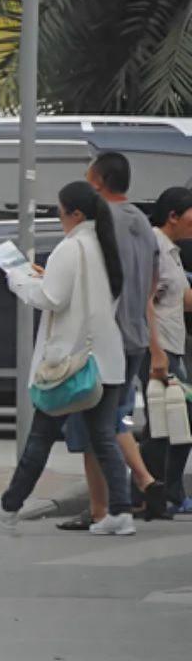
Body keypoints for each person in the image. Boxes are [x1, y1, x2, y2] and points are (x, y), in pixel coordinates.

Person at [0, 182, 135, 535]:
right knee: (104, 436)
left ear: (75, 214)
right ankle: (121, 511)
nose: (59, 218)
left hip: (71, 364)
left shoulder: (70, 248)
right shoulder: (105, 244)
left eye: (60, 212)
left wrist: (18, 278)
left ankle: (9, 506)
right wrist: (46, 278)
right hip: (106, 359)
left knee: (42, 435)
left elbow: (50, 299)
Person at [56, 152, 166, 530]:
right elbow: (152, 284)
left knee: (93, 427)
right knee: (114, 421)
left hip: (105, 337)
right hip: (135, 334)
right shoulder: (142, 222)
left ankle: (102, 509)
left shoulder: (99, 223)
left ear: (98, 182)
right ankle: (138, 486)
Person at [140, 186, 192, 515]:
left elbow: (182, 299)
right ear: (173, 215)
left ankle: (164, 491)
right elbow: (144, 301)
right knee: (163, 422)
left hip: (173, 346)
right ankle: (152, 491)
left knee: (176, 421)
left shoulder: (172, 250)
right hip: (159, 349)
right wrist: (156, 352)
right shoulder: (155, 246)